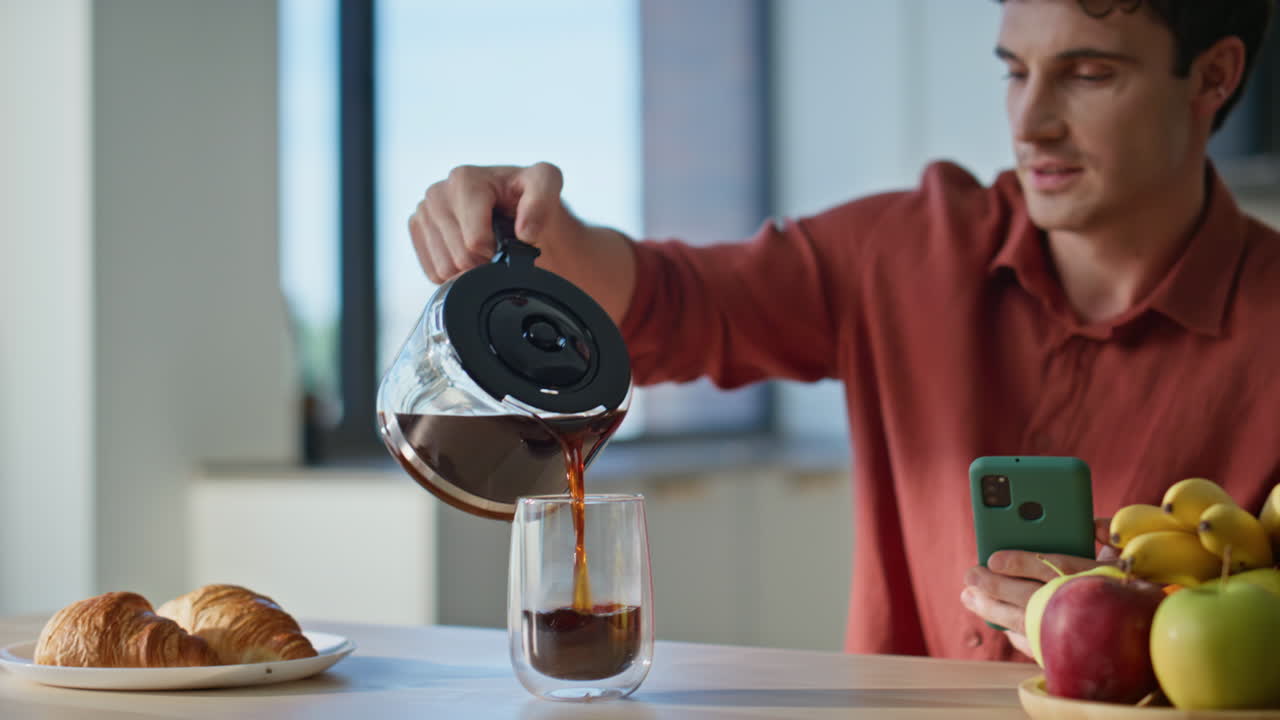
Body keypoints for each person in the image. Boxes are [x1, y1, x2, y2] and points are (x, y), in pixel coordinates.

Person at [407, 0, 1280, 661]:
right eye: (1016, 71)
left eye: (1089, 75)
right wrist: (549, 239)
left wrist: (1153, 630)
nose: (1030, 121)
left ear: (1213, 76)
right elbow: (681, 303)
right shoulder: (901, 250)